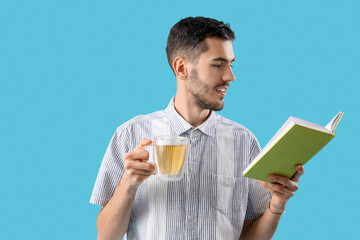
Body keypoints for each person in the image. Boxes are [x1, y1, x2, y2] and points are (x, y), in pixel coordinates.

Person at [90, 16, 304, 240]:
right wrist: (129, 182)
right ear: (181, 68)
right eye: (217, 64)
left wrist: (277, 206)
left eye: (231, 64)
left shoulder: (244, 141)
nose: (230, 76)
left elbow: (250, 236)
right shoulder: (130, 135)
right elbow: (106, 236)